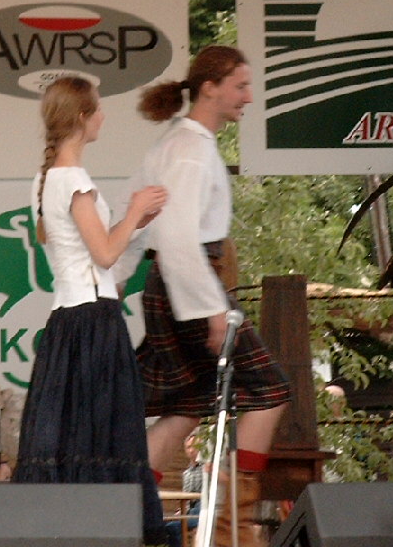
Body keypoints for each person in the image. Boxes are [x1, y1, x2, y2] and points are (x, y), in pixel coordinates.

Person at [133, 46, 290, 547]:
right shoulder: (190, 149)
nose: (248, 96)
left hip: (174, 285)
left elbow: (138, 222)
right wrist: (214, 311)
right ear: (209, 88)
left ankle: (127, 517)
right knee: (270, 391)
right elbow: (176, 235)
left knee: (185, 407)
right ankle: (230, 530)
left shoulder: (177, 142)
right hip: (191, 286)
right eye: (240, 86)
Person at [12, 76, 170, 545]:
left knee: (69, 436)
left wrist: (134, 224)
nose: (103, 116)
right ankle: (106, 530)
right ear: (82, 117)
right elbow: (103, 255)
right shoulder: (75, 181)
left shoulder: (45, 180)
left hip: (67, 318)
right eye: (97, 109)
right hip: (93, 320)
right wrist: (135, 210)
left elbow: (92, 255)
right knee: (102, 433)